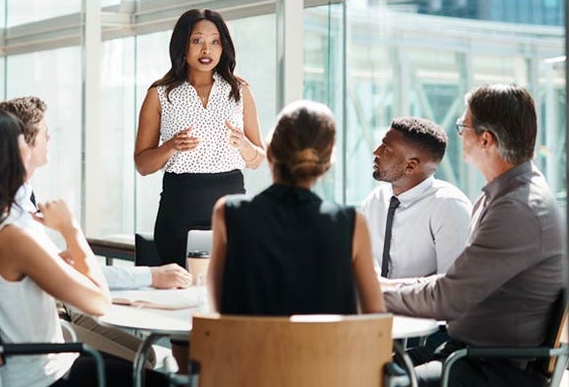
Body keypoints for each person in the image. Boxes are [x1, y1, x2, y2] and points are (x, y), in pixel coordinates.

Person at [0, 111, 165, 387]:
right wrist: (71, 230)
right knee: (165, 382)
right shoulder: (14, 235)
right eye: (24, 148)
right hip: (44, 379)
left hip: (11, 374)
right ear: (9, 161)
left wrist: (51, 261)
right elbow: (99, 302)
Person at [383, 84, 565, 387]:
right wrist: (385, 285)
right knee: (371, 362)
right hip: (468, 355)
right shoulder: (502, 196)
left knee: (376, 376)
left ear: (485, 140)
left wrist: (374, 295)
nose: (458, 134)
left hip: (491, 370)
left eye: (462, 126)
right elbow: (454, 281)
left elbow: (449, 298)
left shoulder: (518, 209)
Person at [0, 96, 191, 367]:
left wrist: (60, 262)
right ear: (23, 144)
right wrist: (70, 228)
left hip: (46, 317)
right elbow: (96, 298)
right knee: (143, 363)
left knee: (149, 355)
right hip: (43, 338)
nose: (49, 136)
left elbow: (60, 273)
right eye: (42, 131)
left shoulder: (12, 206)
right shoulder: (14, 223)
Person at [207, 100, 385, 316]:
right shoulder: (352, 223)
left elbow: (216, 312)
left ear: (270, 152)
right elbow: (376, 321)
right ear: (328, 161)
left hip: (245, 350)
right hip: (328, 350)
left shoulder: (227, 213)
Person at [134, 8, 265, 268]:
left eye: (215, 41)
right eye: (197, 41)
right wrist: (171, 147)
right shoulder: (160, 93)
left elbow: (257, 159)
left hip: (231, 212)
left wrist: (244, 145)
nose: (207, 49)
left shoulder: (239, 91)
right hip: (179, 212)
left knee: (230, 291)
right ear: (182, 45)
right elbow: (142, 164)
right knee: (183, 290)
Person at [359, 117, 471, 279]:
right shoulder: (374, 201)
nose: (376, 152)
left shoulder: (449, 206)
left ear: (410, 166)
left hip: (420, 305)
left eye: (386, 149)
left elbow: (453, 286)